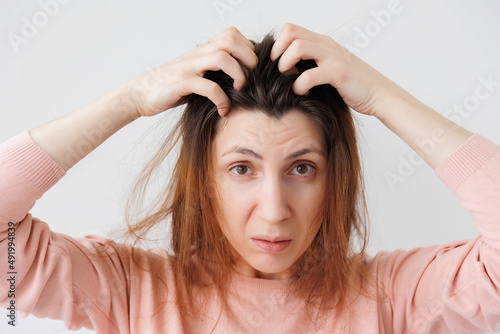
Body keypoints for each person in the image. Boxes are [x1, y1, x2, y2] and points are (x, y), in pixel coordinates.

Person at [1, 23, 499, 333]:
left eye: (302, 168)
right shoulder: (133, 291)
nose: (275, 208)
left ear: (334, 179)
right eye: (242, 168)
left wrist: (382, 97)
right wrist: (132, 99)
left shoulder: (394, 296)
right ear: (205, 180)